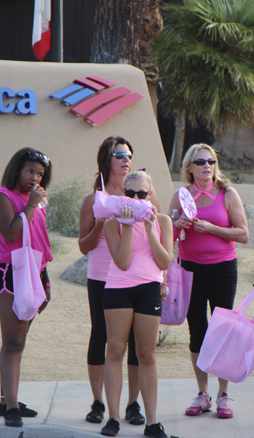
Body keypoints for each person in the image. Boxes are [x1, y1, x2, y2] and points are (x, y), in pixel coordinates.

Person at [170, 144, 249, 418]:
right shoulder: (181, 195)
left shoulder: (227, 193)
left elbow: (243, 233)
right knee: (197, 330)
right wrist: (177, 225)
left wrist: (213, 228)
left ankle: (224, 394)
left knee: (222, 331)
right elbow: (167, 235)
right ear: (189, 167)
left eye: (211, 161)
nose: (207, 166)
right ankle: (202, 393)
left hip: (222, 269)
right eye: (201, 162)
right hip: (190, 269)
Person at [102, 170, 173, 438]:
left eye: (141, 194)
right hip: (118, 288)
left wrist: (149, 229)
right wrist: (128, 225)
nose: (136, 199)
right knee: (115, 350)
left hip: (149, 288)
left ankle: (152, 422)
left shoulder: (163, 221)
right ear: (123, 194)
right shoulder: (112, 223)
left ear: (150, 193)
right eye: (130, 194)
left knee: (147, 354)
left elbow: (165, 261)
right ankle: (113, 417)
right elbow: (122, 262)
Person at [78, 137, 144, 426]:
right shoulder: (93, 200)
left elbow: (152, 233)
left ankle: (132, 404)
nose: (126, 159)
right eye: (119, 155)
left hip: (135, 276)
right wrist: (101, 226)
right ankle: (98, 402)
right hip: (102, 276)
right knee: (101, 336)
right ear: (106, 160)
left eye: (129, 154)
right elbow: (83, 246)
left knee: (136, 341)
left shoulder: (141, 193)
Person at [0, 148, 53, 428]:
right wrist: (31, 205)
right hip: (10, 272)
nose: (34, 178)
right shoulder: (2, 197)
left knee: (20, 341)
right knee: (13, 342)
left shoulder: (37, 202)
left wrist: (46, 280)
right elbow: (12, 232)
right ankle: (12, 408)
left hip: (34, 271)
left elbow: (39, 241)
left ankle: (7, 401)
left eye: (39, 174)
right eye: (29, 171)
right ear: (16, 170)